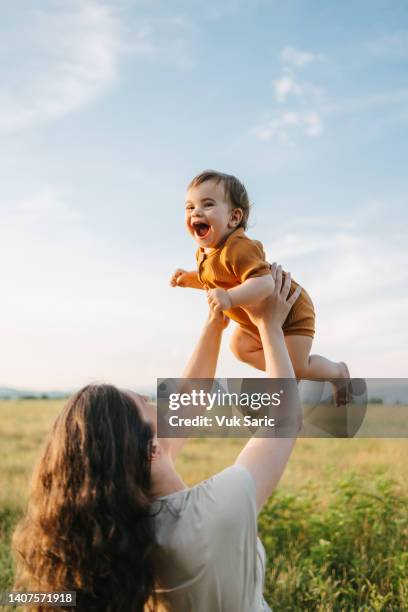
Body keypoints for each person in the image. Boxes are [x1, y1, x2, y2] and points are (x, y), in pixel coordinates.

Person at [13, 266, 300, 612]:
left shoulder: (121, 535)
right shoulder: (219, 508)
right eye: (149, 404)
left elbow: (190, 399)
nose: (165, 406)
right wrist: (270, 327)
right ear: (151, 450)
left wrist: (215, 323)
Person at [171, 169, 350, 405]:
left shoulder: (239, 248)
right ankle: (282, 368)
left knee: (298, 366)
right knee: (239, 346)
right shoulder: (205, 254)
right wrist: (189, 280)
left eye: (207, 204)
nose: (196, 212)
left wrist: (229, 297)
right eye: (190, 207)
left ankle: (338, 373)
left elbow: (264, 283)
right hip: (257, 321)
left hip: (290, 312)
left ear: (234, 218)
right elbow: (213, 280)